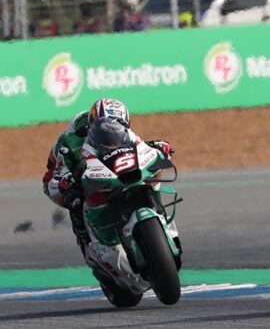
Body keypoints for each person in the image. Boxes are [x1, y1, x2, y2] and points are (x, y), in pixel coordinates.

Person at [43, 98, 173, 255]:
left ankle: (157, 209)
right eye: (107, 127)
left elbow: (136, 145)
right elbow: (59, 173)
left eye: (119, 127)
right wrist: (66, 180)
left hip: (107, 165)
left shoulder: (122, 132)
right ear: (93, 124)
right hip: (59, 175)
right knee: (74, 196)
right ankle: (87, 242)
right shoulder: (70, 141)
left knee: (150, 169)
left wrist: (155, 147)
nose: (112, 131)